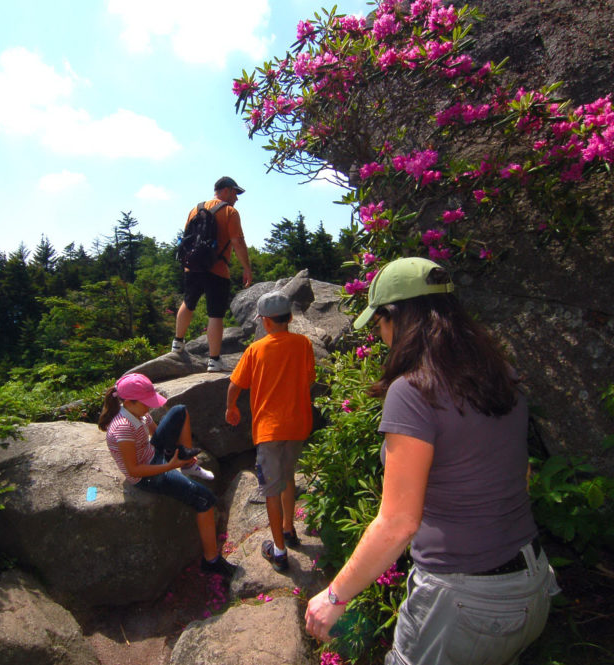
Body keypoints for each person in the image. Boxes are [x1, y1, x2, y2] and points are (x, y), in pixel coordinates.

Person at [304, 257, 558, 664]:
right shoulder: (500, 374)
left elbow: (399, 522)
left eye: (379, 322)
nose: (380, 334)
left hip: (464, 602)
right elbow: (521, 474)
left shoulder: (413, 390)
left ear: (397, 318)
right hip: (531, 583)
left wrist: (334, 596)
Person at [98, 373, 236, 578]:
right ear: (129, 401)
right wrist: (170, 465)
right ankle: (211, 560)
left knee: (179, 411)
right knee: (205, 500)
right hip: (147, 476)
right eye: (146, 403)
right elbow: (134, 470)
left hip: (153, 454)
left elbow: (155, 433)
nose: (150, 407)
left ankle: (188, 463)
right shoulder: (122, 429)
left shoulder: (139, 413)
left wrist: (177, 452)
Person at [225, 291, 316, 572]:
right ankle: (289, 529)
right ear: (289, 317)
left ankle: (278, 552)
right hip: (298, 425)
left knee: (271, 490)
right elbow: (310, 379)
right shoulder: (303, 344)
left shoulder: (256, 349)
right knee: (287, 478)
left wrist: (231, 408)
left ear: (265, 322)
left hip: (269, 430)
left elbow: (235, 384)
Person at [172, 176, 253, 373]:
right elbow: (237, 242)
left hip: (193, 266)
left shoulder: (195, 208)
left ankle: (177, 343)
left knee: (188, 302)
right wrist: (246, 268)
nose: (236, 197)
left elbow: (187, 238)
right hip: (217, 268)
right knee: (215, 313)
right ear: (224, 190)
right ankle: (214, 360)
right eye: (235, 192)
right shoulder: (229, 211)